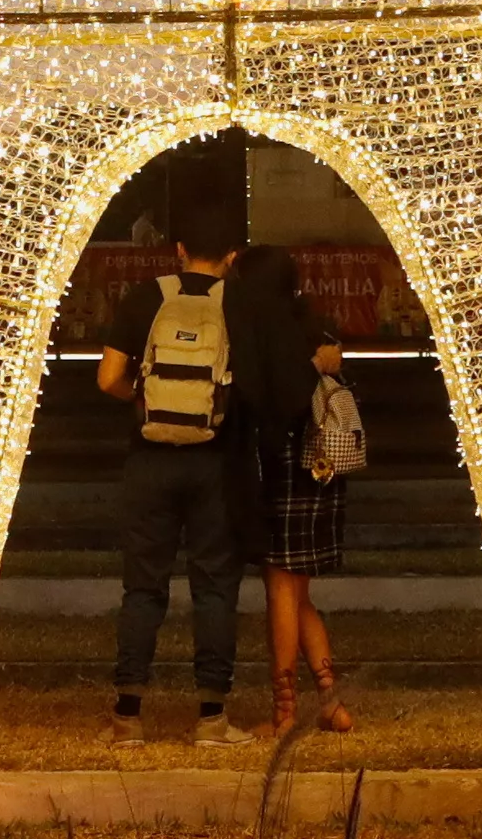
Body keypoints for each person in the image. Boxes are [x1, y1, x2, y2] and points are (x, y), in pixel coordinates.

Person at [90, 167, 264, 748]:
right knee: (215, 586)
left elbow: (108, 378)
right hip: (219, 463)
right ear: (233, 255)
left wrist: (145, 401)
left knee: (143, 588)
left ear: (180, 249)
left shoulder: (147, 297)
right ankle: (212, 718)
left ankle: (127, 715)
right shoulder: (242, 303)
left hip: (148, 459)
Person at [225, 221, 354, 735]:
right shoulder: (315, 328)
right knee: (299, 594)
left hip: (282, 471)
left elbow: (267, 401)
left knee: (280, 589)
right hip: (323, 472)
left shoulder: (259, 333)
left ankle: (284, 712)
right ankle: (331, 703)